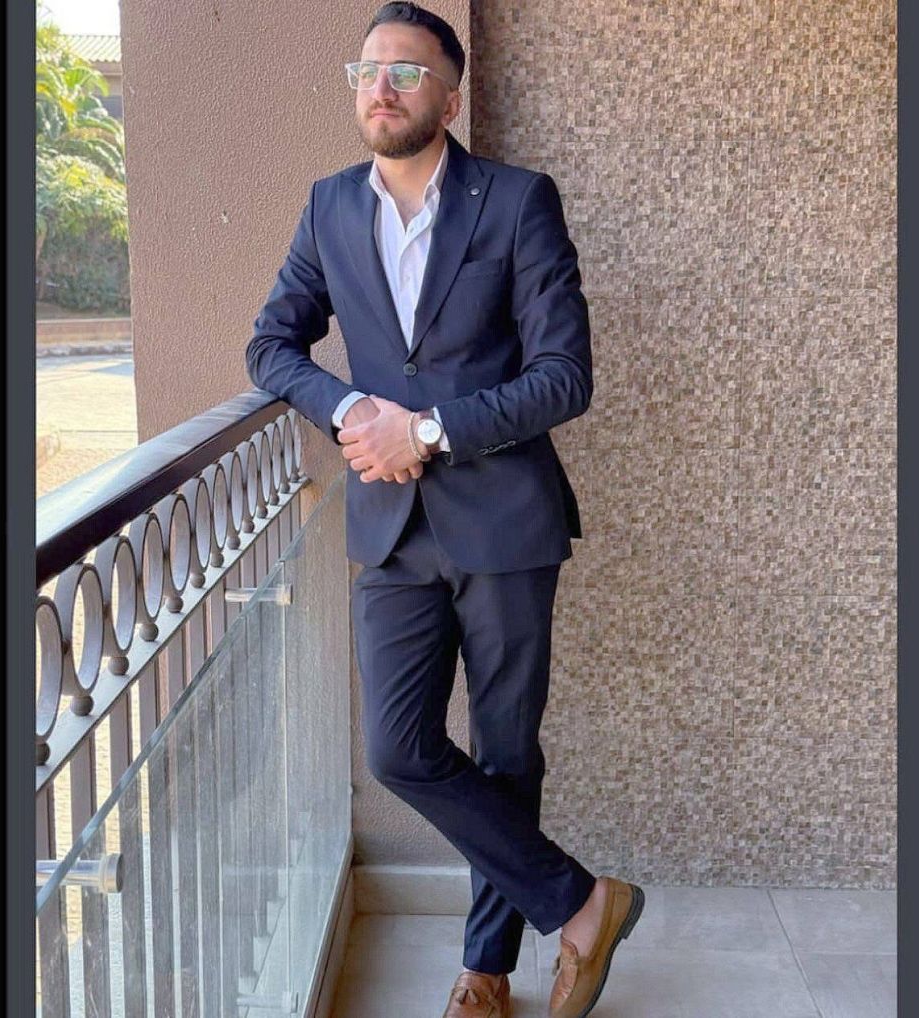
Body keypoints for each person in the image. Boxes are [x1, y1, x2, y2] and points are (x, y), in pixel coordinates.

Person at [245, 4, 644, 1015]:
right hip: (392, 529)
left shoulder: (515, 201)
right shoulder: (329, 207)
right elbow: (271, 345)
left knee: (506, 751)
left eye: (407, 71)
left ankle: (484, 970)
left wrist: (423, 430)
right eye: (367, 70)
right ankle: (582, 903)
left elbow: (565, 376)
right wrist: (351, 410)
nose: (381, 87)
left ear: (450, 97)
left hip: (506, 522)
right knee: (399, 747)